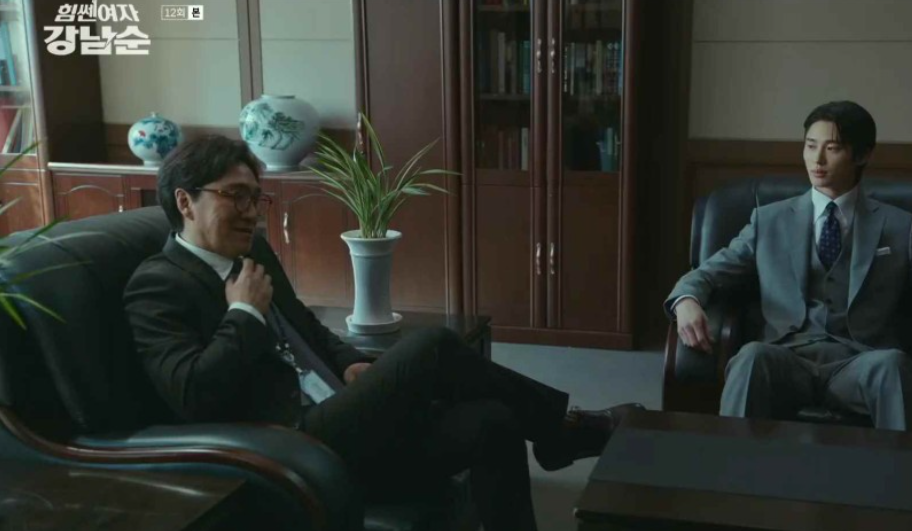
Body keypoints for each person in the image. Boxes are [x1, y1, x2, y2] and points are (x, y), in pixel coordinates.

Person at [124, 135, 643, 531]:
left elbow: (307, 327)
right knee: (433, 346)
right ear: (185, 202)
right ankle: (563, 430)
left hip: (340, 414)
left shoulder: (252, 253)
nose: (249, 212)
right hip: (289, 443)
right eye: (235, 196)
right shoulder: (157, 285)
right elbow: (192, 393)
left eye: (255, 198)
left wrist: (349, 361)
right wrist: (243, 315)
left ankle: (554, 438)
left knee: (493, 421)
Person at [665, 101, 912, 431]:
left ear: (862, 155)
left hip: (862, 362)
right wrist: (687, 300)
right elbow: (707, 273)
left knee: (893, 367)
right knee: (751, 358)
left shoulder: (897, 227)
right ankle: (730, 465)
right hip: (785, 359)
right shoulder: (769, 221)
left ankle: (908, 466)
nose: (817, 160)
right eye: (810, 146)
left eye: (832, 148)